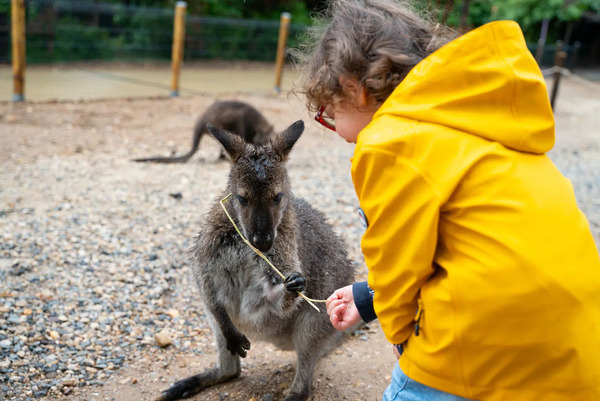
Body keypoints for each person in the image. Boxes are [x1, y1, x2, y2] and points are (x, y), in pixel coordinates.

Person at [295, 1, 600, 400]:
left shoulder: (390, 141)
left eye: (328, 113)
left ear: (356, 89)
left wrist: (404, 338)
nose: (335, 129)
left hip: (479, 351)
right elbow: (474, 245)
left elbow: (398, 261)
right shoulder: (482, 122)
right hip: (574, 351)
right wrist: (369, 298)